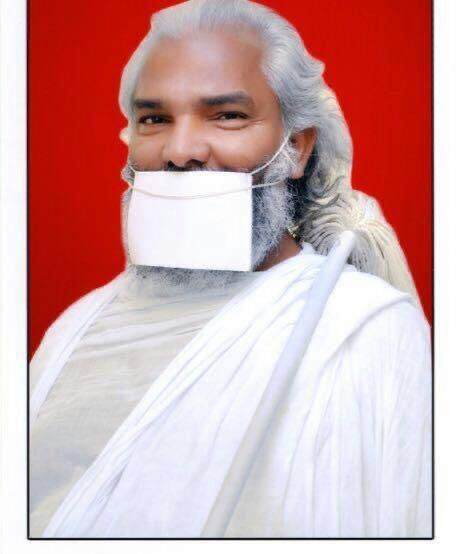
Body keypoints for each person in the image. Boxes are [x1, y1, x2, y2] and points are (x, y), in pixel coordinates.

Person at [29, 0, 431, 539]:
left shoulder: (363, 329)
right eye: (154, 119)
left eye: (227, 115)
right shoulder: (75, 328)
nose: (180, 150)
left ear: (296, 148)